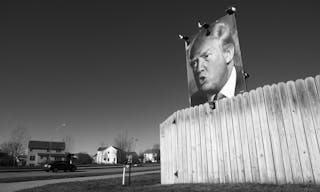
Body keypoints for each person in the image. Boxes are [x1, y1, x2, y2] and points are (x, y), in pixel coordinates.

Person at [187, 18, 245, 106]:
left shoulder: (243, 85)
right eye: (194, 63)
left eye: (206, 56)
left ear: (228, 53)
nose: (199, 69)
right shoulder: (195, 100)